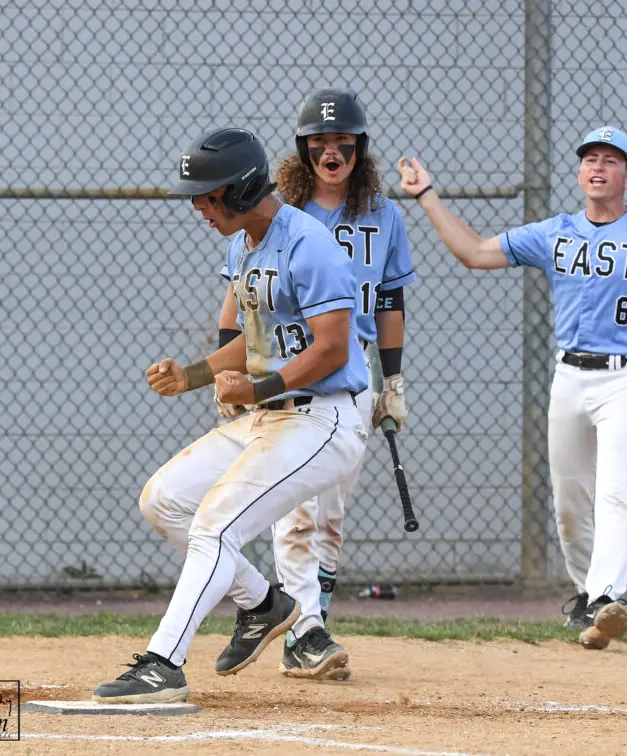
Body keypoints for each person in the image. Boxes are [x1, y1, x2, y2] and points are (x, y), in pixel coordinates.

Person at [397, 126, 627, 650]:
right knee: (569, 500)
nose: (598, 166)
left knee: (614, 489)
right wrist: (427, 195)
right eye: (590, 159)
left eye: (611, 159)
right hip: (570, 376)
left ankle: (610, 596)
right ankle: (589, 599)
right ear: (580, 172)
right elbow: (473, 252)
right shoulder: (555, 233)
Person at [92, 127, 368, 703]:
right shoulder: (243, 244)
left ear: (242, 191)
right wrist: (192, 374)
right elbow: (254, 334)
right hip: (272, 416)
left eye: (208, 194)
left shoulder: (308, 245)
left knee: (215, 525)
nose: (198, 206)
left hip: (323, 420)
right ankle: (264, 604)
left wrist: (259, 386)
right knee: (163, 500)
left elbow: (333, 347)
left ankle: (163, 663)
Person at [214, 88, 417, 679]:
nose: (332, 152)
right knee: (294, 511)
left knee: (327, 514)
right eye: (319, 143)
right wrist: (228, 371)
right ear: (303, 150)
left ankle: (310, 627)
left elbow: (390, 302)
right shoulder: (283, 217)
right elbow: (238, 300)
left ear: (360, 149)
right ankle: (304, 630)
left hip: (349, 375)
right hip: (286, 368)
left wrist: (393, 382)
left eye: (343, 142)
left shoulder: (383, 215)